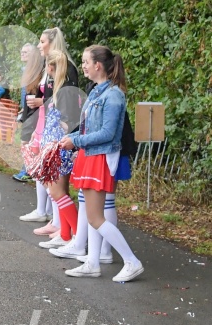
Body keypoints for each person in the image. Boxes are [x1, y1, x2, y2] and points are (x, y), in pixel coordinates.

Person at [59, 45, 144, 282]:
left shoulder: (113, 95)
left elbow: (107, 133)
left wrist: (75, 140)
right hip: (90, 154)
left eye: (86, 61)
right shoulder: (97, 91)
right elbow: (90, 127)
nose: (83, 66)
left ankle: (131, 261)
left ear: (98, 65)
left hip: (100, 156)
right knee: (89, 211)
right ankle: (92, 262)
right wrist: (78, 143)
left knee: (96, 217)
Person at [34, 50, 81, 249]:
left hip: (58, 147)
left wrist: (62, 130)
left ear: (51, 67)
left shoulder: (64, 91)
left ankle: (78, 236)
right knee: (57, 192)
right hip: (55, 146)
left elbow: (69, 119)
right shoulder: (61, 89)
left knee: (58, 191)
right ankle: (66, 234)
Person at [13, 43, 35, 182]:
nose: (22, 54)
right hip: (26, 109)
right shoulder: (25, 70)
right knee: (26, 140)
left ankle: (27, 171)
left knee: (27, 141)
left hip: (32, 110)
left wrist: (27, 108)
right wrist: (23, 107)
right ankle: (28, 169)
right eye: (22, 51)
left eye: (26, 52)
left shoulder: (34, 70)